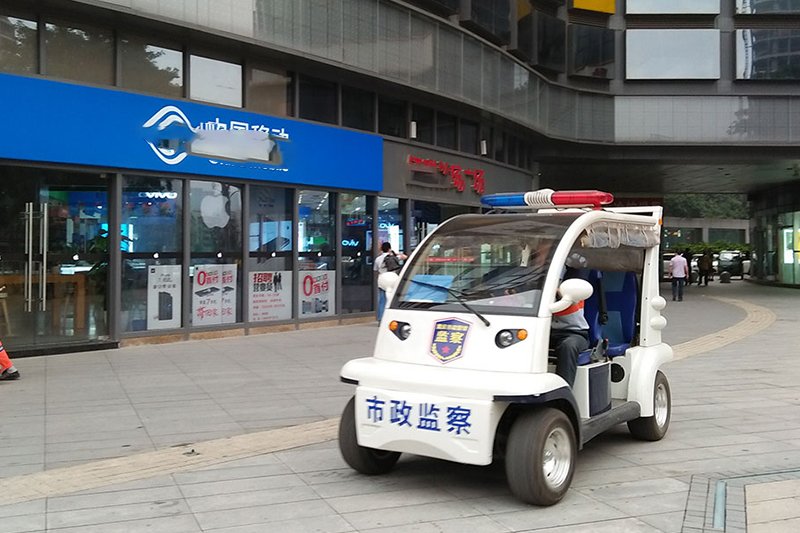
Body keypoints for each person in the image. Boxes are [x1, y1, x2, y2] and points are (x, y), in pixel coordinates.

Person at [374, 242, 406, 322]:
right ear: (389, 249)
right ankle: (392, 317)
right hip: (392, 278)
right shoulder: (394, 257)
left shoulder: (378, 259)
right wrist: (395, 253)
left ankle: (381, 318)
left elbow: (375, 270)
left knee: (382, 299)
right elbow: (405, 256)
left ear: (381, 249)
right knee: (393, 298)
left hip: (382, 279)